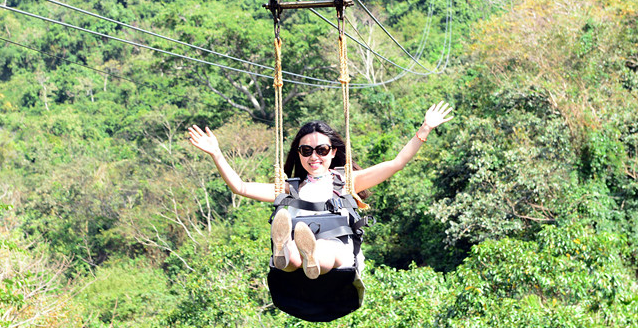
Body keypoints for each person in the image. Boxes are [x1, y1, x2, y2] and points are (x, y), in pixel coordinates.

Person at [187, 101, 454, 280]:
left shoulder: (346, 182)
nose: (314, 156)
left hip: (339, 258)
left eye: (322, 150)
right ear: (299, 154)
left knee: (326, 248)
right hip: (297, 267)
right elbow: (241, 187)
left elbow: (396, 163)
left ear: (333, 151)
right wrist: (217, 154)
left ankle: (309, 253)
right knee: (291, 252)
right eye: (306, 151)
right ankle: (286, 250)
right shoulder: (289, 189)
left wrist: (425, 129)